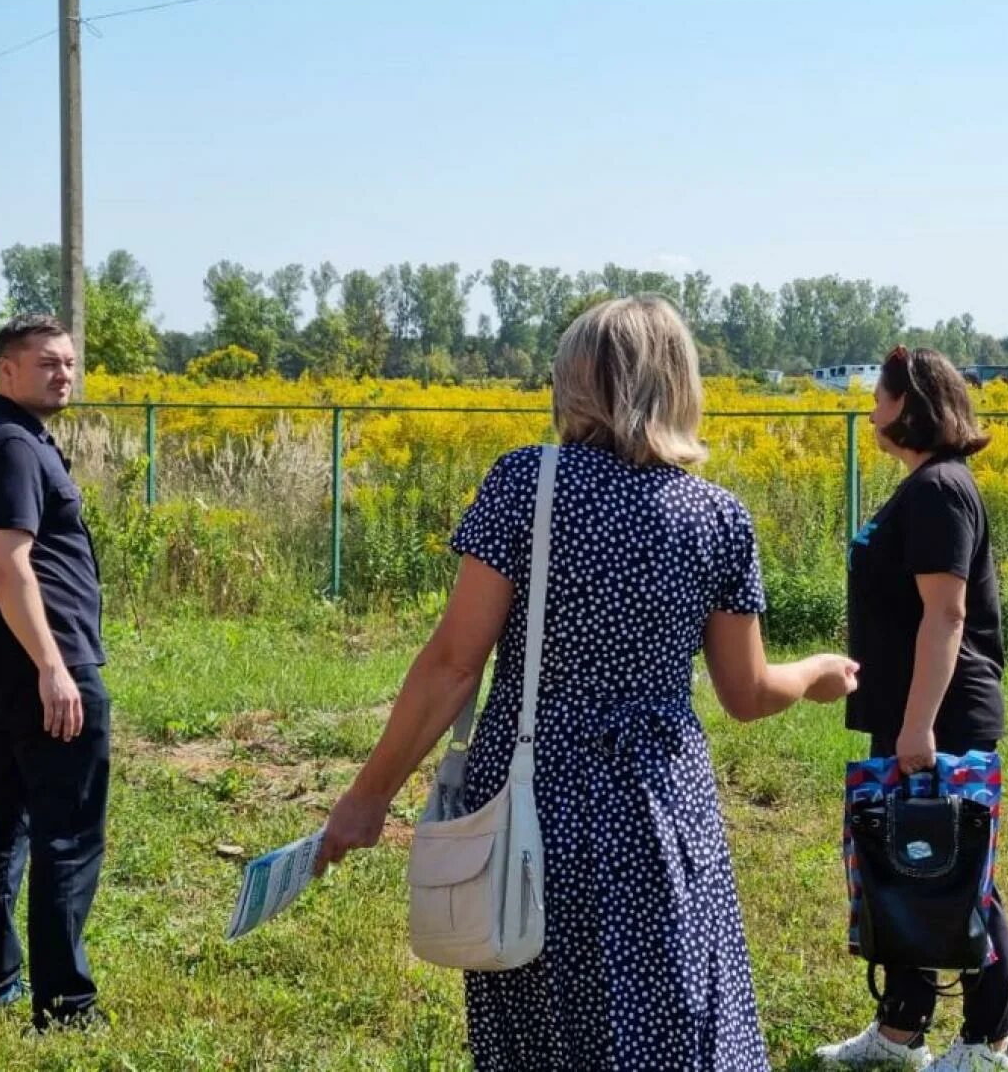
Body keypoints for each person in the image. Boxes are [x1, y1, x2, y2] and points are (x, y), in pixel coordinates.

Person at [316, 295, 858, 1071]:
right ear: (679, 385)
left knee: (540, 1025)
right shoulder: (718, 519)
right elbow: (746, 691)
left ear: (575, 384)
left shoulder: (524, 486)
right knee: (668, 1015)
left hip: (532, 806)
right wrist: (815, 674)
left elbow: (453, 663)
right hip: (659, 812)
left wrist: (369, 795)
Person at [817, 346, 1008, 1072]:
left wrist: (917, 724)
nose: (871, 408)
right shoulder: (924, 485)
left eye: (880, 394)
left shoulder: (939, 489)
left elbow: (948, 615)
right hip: (910, 713)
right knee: (903, 868)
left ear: (910, 403)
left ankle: (989, 1041)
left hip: (942, 719)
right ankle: (902, 1030)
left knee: (963, 875)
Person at [0, 314, 111, 1032]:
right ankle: (66, 1003)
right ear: (6, 370)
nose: (63, 372)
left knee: (5, 818)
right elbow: (7, 566)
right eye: (46, 362)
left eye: (69, 361)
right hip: (44, 672)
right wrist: (53, 667)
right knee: (66, 830)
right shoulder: (10, 447)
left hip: (2, 670)